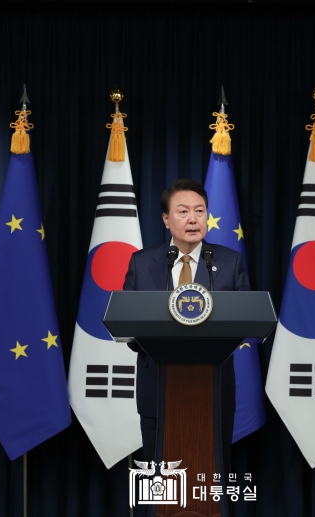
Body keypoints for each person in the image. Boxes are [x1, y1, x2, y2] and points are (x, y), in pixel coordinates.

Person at [122, 178, 250, 473]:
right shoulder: (142, 263)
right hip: (158, 387)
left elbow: (245, 318)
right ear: (166, 219)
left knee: (211, 476)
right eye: (183, 212)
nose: (193, 219)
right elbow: (127, 322)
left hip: (213, 388)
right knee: (160, 478)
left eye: (200, 211)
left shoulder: (230, 262)